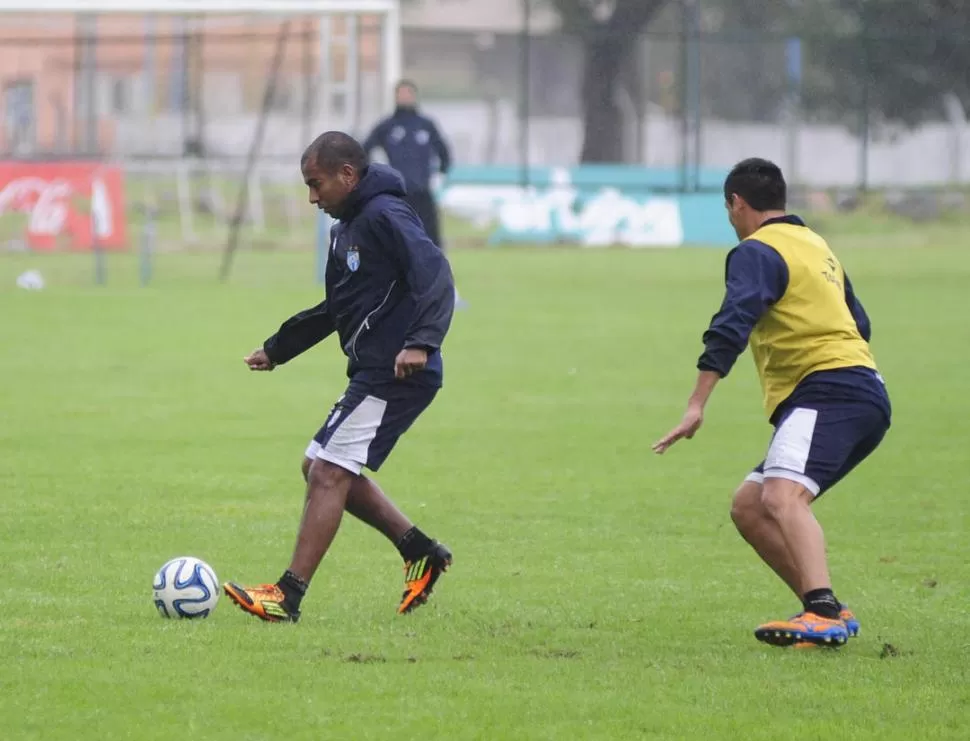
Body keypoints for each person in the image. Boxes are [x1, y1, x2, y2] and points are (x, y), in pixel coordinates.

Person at [652, 158, 891, 648]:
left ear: (737, 203)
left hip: (830, 390)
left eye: (728, 209)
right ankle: (826, 608)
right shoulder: (816, 246)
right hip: (858, 389)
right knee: (750, 507)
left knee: (782, 497)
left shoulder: (756, 251)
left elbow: (732, 322)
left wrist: (697, 402)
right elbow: (858, 322)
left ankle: (821, 611)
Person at [223, 131, 456, 623]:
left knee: (330, 471)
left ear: (347, 175)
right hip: (374, 370)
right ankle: (420, 551)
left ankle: (288, 595)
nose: (312, 198)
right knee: (319, 468)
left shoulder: (386, 216)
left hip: (399, 370)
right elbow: (337, 308)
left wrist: (420, 342)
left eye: (316, 184)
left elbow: (435, 272)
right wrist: (278, 348)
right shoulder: (346, 229)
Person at [363, 80, 466, 307]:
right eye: (401, 94)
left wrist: (441, 173)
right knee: (393, 244)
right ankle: (391, 293)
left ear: (415, 96)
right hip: (398, 197)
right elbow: (364, 151)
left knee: (432, 242)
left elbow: (444, 153)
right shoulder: (387, 126)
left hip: (423, 195)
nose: (405, 97)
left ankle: (447, 291)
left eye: (408, 93)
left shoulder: (426, 125)